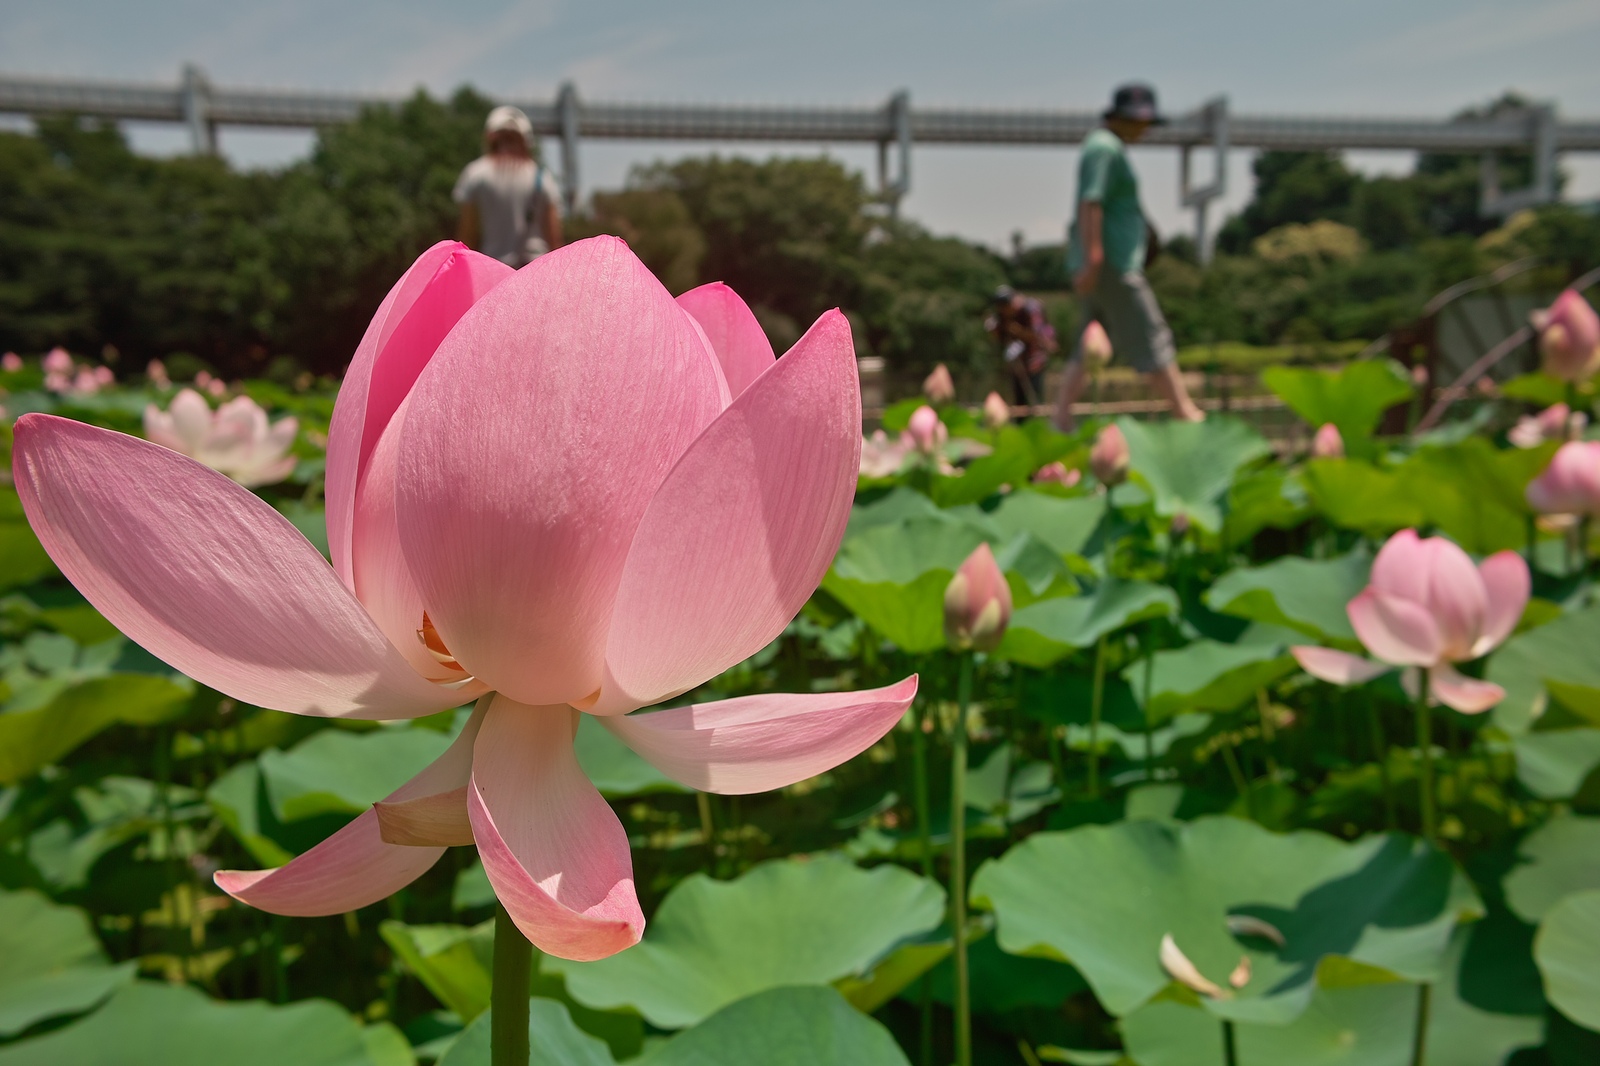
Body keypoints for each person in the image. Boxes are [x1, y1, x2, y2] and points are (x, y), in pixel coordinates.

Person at [1054, 84, 1204, 431]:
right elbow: (1091, 202)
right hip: (1113, 264)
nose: (1145, 129)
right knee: (1150, 332)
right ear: (1119, 118)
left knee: (1087, 341)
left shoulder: (1105, 147)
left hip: (1110, 261)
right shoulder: (1104, 149)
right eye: (1139, 121)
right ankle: (1185, 412)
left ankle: (1060, 418)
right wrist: (1094, 258)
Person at [454, 106, 564, 267]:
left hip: (494, 270)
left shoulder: (475, 174)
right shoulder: (542, 176)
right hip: (535, 270)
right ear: (527, 140)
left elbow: (467, 235)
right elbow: (555, 240)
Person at [985, 286, 1058, 410]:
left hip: (1034, 361)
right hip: (1017, 363)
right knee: (1019, 404)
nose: (1003, 310)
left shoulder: (1031, 309)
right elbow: (998, 335)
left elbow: (1038, 335)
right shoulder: (1001, 315)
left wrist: (1018, 331)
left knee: (1034, 401)